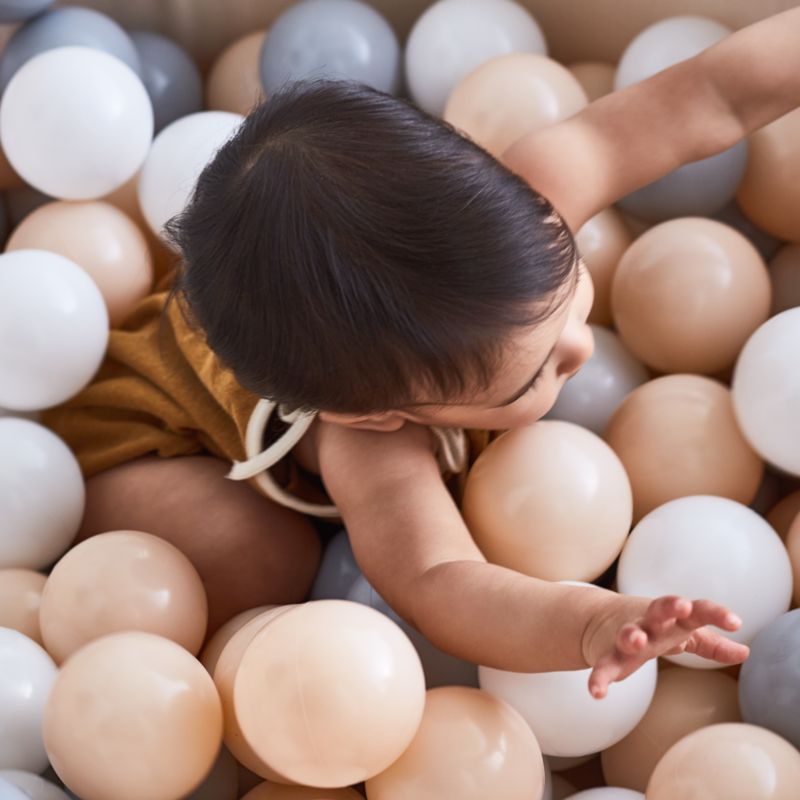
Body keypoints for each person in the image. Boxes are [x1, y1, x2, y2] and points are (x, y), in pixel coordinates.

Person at [44, 8, 800, 698]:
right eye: (534, 376)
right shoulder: (368, 446)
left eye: (566, 285)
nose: (578, 342)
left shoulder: (535, 195)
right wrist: (592, 623)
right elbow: (443, 583)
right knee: (261, 556)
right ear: (381, 415)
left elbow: (710, 95)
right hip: (132, 445)